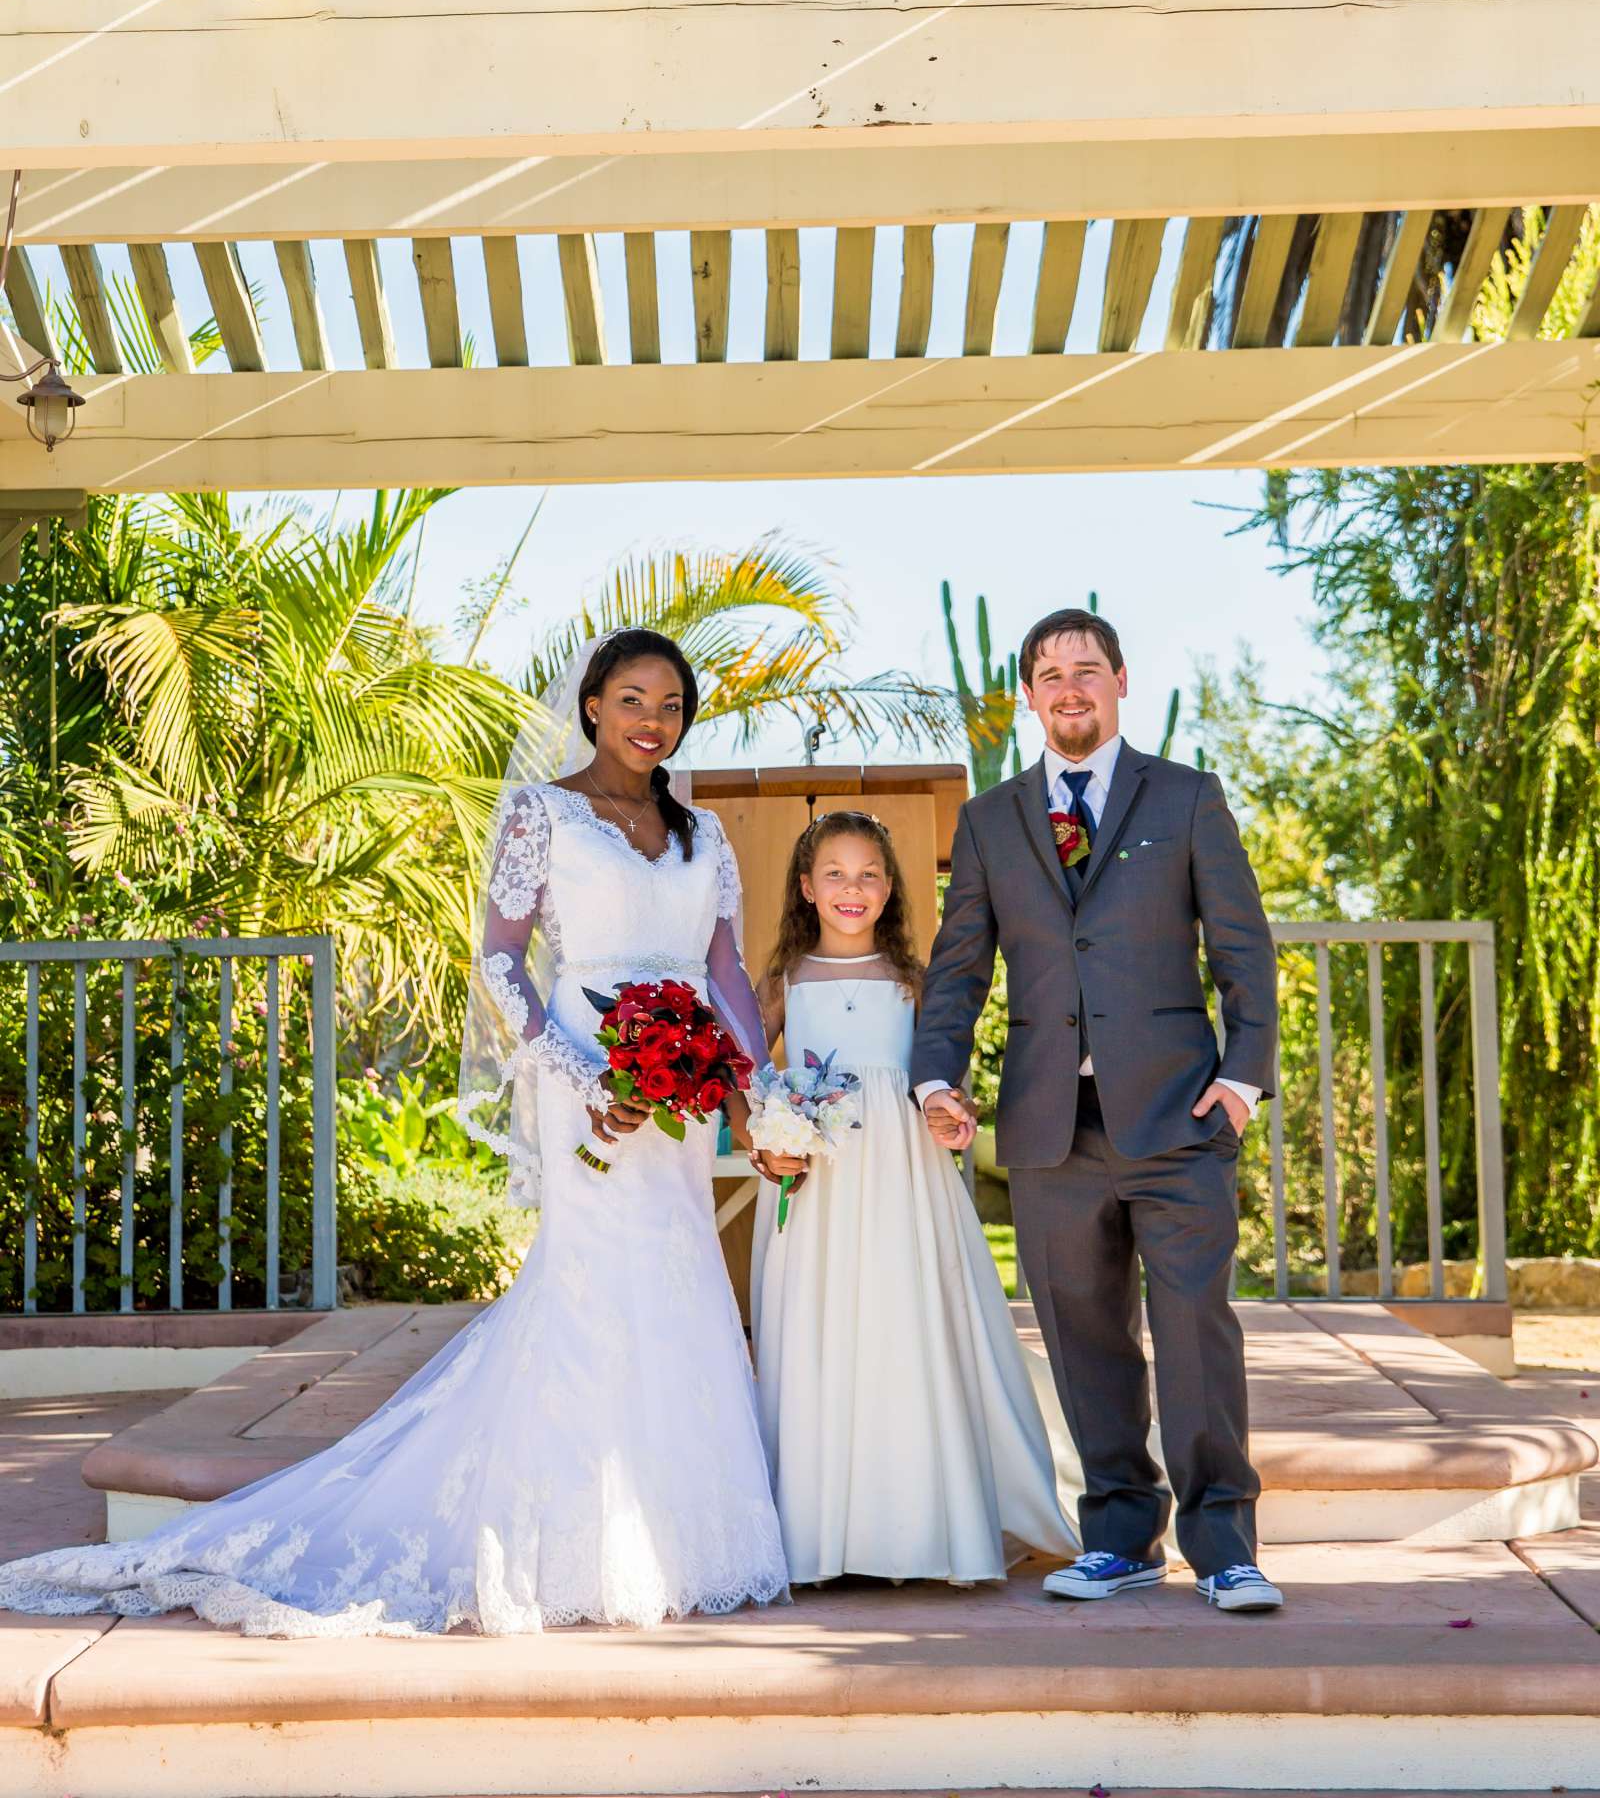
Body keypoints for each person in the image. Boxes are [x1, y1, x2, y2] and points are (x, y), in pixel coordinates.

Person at [0, 629, 791, 1637]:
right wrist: (578, 1071)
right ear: (591, 705)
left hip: (676, 1083)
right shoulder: (542, 814)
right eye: (632, 697)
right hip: (583, 1061)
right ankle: (570, 1540)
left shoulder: (704, 834)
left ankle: (677, 1534)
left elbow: (723, 970)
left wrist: (750, 1087)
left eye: (671, 703)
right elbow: (502, 963)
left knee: (681, 1274)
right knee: (597, 1282)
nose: (651, 719)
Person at [912, 608, 1284, 1614]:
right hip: (1046, 1124)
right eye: (1048, 673)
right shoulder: (990, 820)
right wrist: (932, 1076)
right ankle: (1119, 1535)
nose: (1069, 687)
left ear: (1120, 682)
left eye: (1087, 669)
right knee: (1084, 1336)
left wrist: (1242, 1081)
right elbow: (958, 969)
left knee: (1194, 1328)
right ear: (1028, 696)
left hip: (1178, 1115)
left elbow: (1242, 952)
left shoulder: (1189, 797)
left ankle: (1224, 1547)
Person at [749, 810, 1073, 1586]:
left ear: (891, 889)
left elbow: (942, 1081)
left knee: (903, 1325)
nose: (851, 889)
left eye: (868, 875)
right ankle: (822, 1536)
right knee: (820, 1331)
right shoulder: (783, 983)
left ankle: (918, 1526)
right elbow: (745, 1077)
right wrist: (768, 1137)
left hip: (902, 1183)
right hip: (817, 1185)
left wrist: (952, 1114)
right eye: (834, 874)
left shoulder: (913, 982)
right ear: (805, 888)